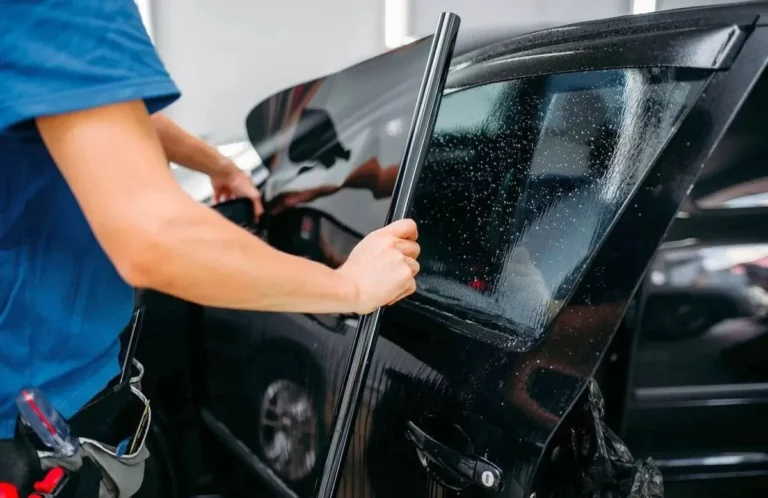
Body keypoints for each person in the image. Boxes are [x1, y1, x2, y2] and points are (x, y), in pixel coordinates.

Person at [0, 0, 419, 493]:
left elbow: (100, 107)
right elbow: (153, 237)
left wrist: (218, 167)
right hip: (36, 434)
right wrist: (349, 286)